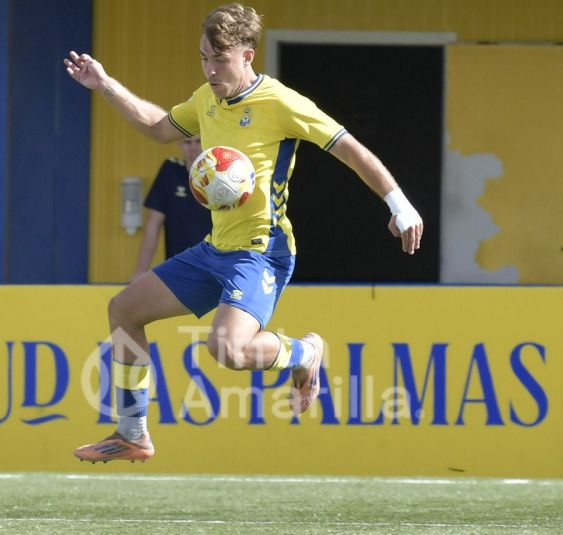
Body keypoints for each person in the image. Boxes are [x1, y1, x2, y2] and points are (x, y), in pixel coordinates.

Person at [64, 2, 423, 464]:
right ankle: (133, 434)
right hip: (215, 249)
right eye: (203, 58)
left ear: (248, 56)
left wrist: (399, 204)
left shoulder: (282, 103)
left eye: (220, 59)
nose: (211, 70)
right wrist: (105, 84)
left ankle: (304, 353)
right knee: (124, 310)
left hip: (262, 252)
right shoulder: (205, 99)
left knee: (227, 349)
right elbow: (157, 128)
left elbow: (351, 150)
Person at [132, 136, 212, 282]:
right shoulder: (170, 170)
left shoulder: (221, 176)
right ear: (179, 143)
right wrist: (140, 272)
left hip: (214, 267)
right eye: (187, 142)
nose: (193, 147)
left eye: (199, 141)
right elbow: (153, 223)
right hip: (178, 269)